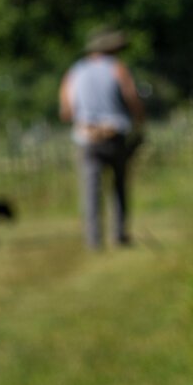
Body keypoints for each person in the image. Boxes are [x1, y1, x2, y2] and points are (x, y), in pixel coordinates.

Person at [59, 26, 146, 248]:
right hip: (114, 135)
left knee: (90, 191)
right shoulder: (117, 69)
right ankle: (119, 235)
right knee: (118, 187)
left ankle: (93, 239)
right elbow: (132, 98)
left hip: (86, 138)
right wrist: (139, 123)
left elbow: (66, 111)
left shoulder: (74, 72)